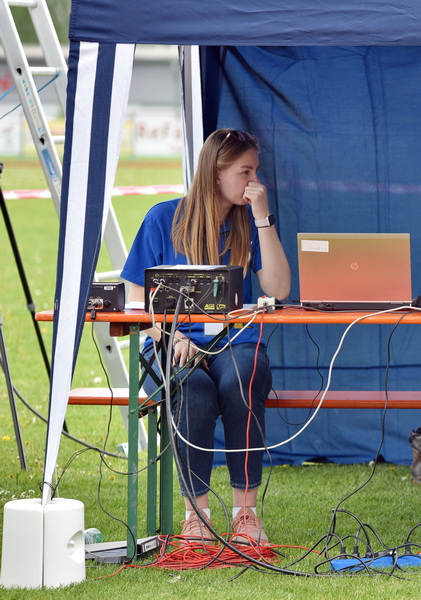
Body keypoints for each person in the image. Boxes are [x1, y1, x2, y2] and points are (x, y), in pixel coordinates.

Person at [120, 128, 291, 545]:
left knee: (243, 378)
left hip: (235, 342)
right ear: (216, 173)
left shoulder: (247, 223)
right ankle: (196, 515)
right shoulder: (163, 218)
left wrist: (263, 218)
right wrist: (171, 337)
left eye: (255, 171)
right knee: (192, 389)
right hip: (172, 343)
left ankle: (246, 514)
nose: (254, 181)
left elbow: (279, 289)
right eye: (245, 171)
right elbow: (135, 302)